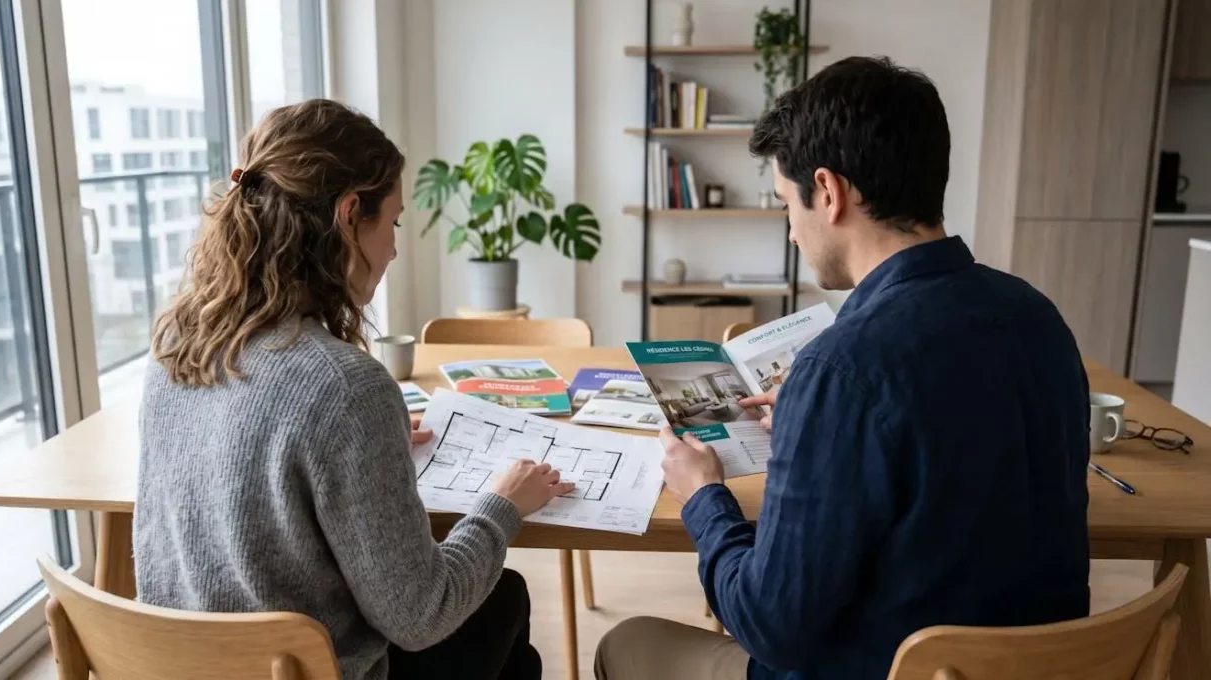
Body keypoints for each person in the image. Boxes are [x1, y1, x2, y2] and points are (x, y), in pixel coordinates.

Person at [595, 56, 1091, 680]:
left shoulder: (840, 369)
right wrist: (819, 426)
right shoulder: (1037, 316)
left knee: (626, 642)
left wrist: (703, 495)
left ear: (828, 192)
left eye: (786, 204)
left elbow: (772, 628)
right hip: (1041, 668)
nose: (793, 233)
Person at [133, 99, 572, 680]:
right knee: (503, 599)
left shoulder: (176, 343)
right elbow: (421, 616)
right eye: (391, 222)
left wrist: (373, 446)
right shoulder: (344, 387)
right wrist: (503, 506)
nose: (392, 248)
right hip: (304, 670)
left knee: (503, 623)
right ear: (347, 216)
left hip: (187, 666)